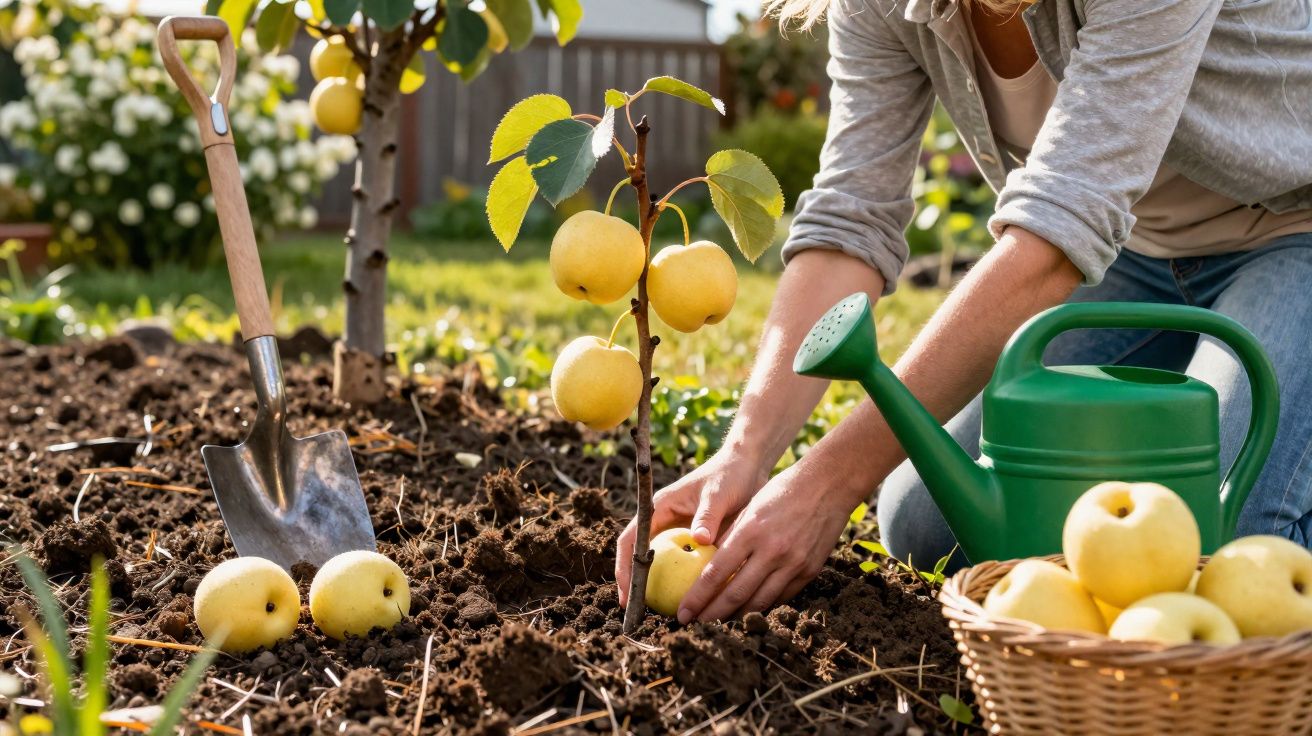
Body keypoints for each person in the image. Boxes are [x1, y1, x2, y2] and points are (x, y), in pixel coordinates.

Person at [615, 0, 1312, 624]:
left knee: (1234, 546)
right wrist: (747, 452)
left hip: (1295, 229)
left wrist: (830, 479)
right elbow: (850, 224)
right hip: (1133, 256)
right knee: (929, 526)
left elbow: (1054, 236)